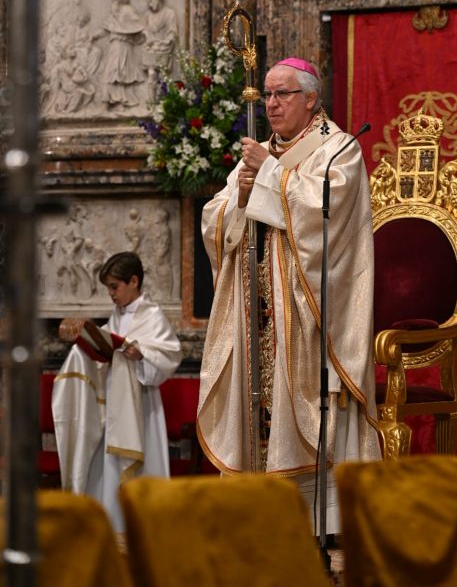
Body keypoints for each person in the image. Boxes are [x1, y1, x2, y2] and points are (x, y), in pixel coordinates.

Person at [197, 57, 381, 534]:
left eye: (282, 94)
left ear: (311, 99)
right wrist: (239, 197)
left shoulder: (338, 150)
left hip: (310, 313)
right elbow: (215, 219)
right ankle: (259, 509)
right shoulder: (259, 154)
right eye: (268, 94)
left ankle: (321, 521)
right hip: (259, 310)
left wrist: (269, 176)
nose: (272, 104)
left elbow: (327, 214)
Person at [52, 251, 182, 533]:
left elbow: (170, 354)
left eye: (114, 287)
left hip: (142, 406)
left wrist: (142, 352)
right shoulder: (116, 316)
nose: (111, 294)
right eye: (108, 288)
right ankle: (113, 525)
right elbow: (109, 345)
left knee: (143, 463)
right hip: (114, 405)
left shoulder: (154, 316)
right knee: (108, 466)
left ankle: (143, 528)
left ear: (133, 281)